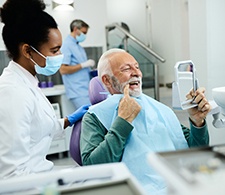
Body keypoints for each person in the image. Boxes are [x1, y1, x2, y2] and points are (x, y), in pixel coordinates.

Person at [80, 48, 211, 194]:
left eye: (137, 67)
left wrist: (197, 122)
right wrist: (123, 121)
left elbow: (195, 152)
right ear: (107, 80)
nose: (136, 73)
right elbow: (93, 166)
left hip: (176, 185)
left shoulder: (159, 109)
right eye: (126, 69)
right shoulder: (95, 117)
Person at [0, 0, 89, 179]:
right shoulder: (12, 92)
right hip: (28, 184)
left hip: (40, 173)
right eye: (54, 51)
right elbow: (11, 175)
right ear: (27, 51)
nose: (60, 56)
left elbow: (37, 129)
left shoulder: (28, 81)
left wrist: (68, 120)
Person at [59, 19, 95, 109]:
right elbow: (63, 70)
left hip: (85, 90)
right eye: (83, 32)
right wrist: (83, 65)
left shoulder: (78, 47)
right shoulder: (66, 45)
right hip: (77, 91)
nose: (84, 35)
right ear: (75, 29)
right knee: (88, 119)